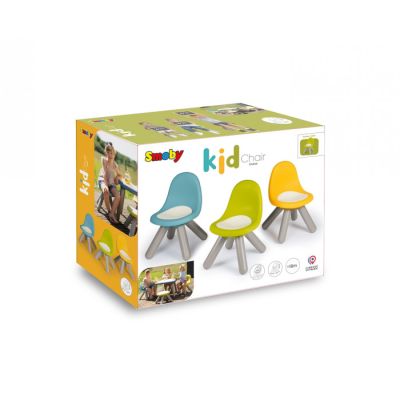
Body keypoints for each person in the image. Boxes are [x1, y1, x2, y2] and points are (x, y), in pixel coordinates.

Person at [98, 143, 121, 223]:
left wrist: (117, 177)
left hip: (111, 184)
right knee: (106, 191)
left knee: (118, 196)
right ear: (106, 153)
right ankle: (109, 212)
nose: (110, 155)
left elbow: (119, 175)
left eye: (112, 153)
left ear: (114, 154)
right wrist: (106, 185)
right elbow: (104, 173)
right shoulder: (104, 160)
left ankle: (111, 214)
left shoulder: (115, 165)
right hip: (102, 180)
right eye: (108, 153)